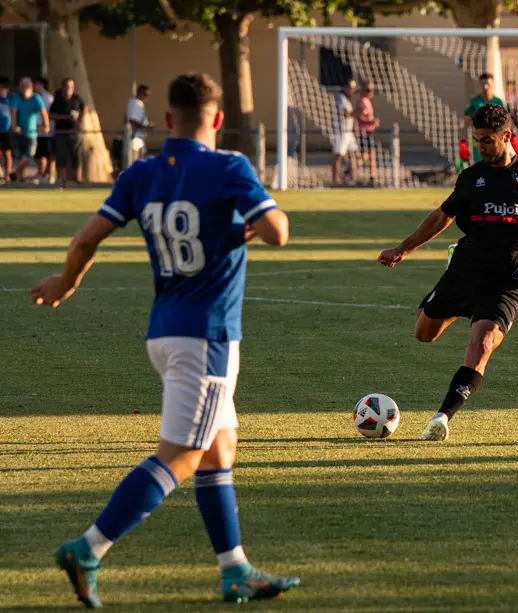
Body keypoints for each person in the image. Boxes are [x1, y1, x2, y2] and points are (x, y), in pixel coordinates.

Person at [32, 72, 299, 608]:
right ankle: (88, 549)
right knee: (181, 456)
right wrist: (257, 221)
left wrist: (65, 282)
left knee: (219, 449)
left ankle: (235, 570)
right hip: (208, 336)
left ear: (168, 120)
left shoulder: (142, 174)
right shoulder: (229, 167)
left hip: (166, 329)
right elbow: (277, 231)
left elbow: (86, 238)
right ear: (218, 120)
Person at [378, 103, 518, 441]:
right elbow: (441, 216)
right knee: (424, 333)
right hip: (465, 273)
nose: (480, 147)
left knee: (480, 344)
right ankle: (455, 306)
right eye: (477, 140)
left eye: (487, 141)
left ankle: (441, 418)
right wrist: (403, 249)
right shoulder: (471, 178)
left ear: (506, 137)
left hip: (506, 283)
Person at [9, 77, 49, 183]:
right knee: (18, 157)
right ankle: (19, 178)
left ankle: (15, 173)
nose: (24, 88)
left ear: (31, 87)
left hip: (31, 134)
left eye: (27, 86)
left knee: (28, 156)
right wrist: (14, 127)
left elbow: (43, 112)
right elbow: (13, 112)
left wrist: (46, 125)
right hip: (18, 133)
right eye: (22, 86)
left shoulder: (36, 98)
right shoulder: (16, 97)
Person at [464, 73, 506, 164]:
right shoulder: (475, 101)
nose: (486, 87)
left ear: (492, 84)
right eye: (483, 84)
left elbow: (506, 120)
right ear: (480, 84)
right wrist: (463, 136)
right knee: (480, 160)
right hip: (479, 137)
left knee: (495, 160)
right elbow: (467, 118)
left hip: (495, 137)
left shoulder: (498, 101)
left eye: (488, 84)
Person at [49, 78, 85, 185]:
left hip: (74, 132)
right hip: (61, 132)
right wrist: (66, 117)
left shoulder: (77, 99)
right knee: (61, 155)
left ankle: (77, 179)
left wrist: (79, 121)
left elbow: (84, 110)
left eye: (71, 86)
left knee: (76, 155)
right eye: (66, 86)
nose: (68, 88)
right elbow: (52, 115)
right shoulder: (58, 100)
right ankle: (61, 179)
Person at [331, 79, 358, 186]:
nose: (352, 90)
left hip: (349, 132)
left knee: (354, 154)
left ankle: (351, 177)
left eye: (354, 88)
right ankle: (335, 180)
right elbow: (345, 114)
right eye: (351, 88)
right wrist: (358, 111)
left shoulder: (347, 100)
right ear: (345, 88)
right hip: (341, 132)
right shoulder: (340, 99)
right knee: (338, 156)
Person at [354, 80, 380, 186]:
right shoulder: (362, 102)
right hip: (364, 132)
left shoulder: (367, 101)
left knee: (366, 155)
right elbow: (359, 118)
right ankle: (371, 177)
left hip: (369, 131)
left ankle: (352, 168)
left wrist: (373, 123)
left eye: (372, 90)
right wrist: (371, 122)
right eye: (368, 90)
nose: (371, 92)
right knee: (370, 155)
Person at [35, 77, 56, 182]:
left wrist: (44, 126)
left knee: (49, 155)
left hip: (48, 132)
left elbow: (48, 115)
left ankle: (50, 175)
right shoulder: (38, 97)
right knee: (40, 155)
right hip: (39, 133)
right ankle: (42, 174)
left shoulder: (48, 98)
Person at [126, 84, 154, 159]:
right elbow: (132, 120)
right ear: (141, 93)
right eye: (146, 95)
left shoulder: (133, 103)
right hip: (136, 137)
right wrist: (145, 127)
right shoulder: (136, 103)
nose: (146, 98)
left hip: (139, 137)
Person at [0, 76, 13, 182]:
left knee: (7, 153)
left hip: (7, 130)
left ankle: (7, 174)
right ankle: (1, 173)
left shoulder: (11, 99)